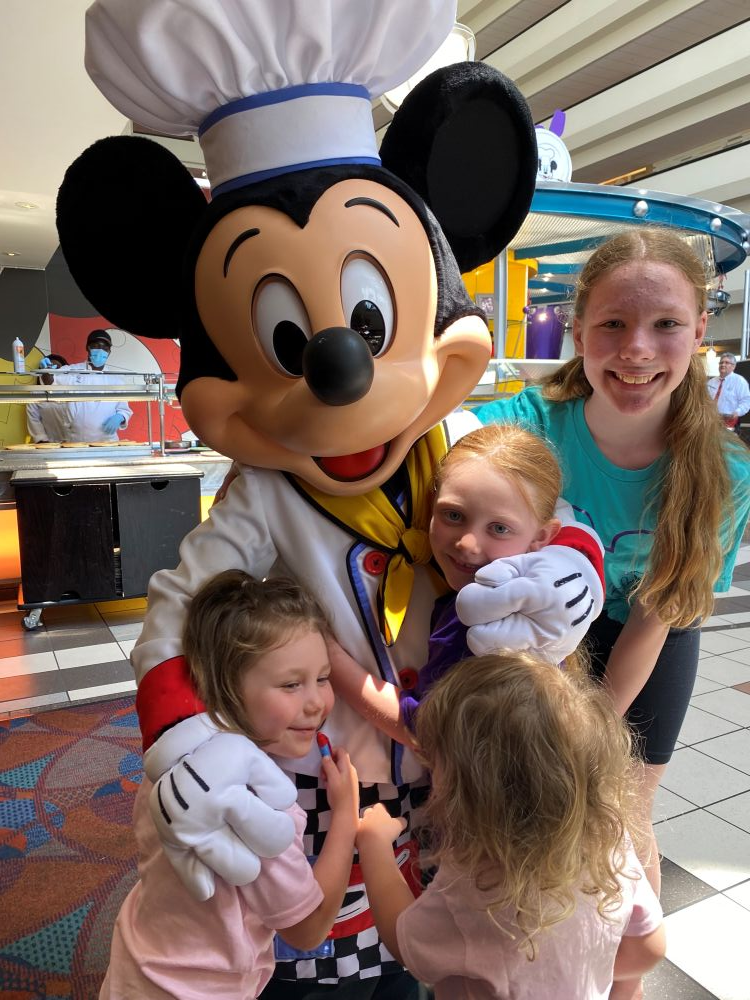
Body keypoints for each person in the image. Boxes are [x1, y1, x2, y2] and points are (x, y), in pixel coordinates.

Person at [471, 229, 750, 964]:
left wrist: (589, 725)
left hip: (649, 632)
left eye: (664, 326)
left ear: (698, 331)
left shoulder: (722, 472)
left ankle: (624, 976)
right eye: (613, 325)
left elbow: (660, 614)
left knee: (621, 812)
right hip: (540, 627)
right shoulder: (525, 428)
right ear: (578, 330)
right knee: (514, 803)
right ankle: (510, 956)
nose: (636, 350)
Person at [100, 570, 360, 999]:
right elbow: (309, 929)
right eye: (291, 684)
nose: (316, 702)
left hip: (137, 964)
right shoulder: (257, 804)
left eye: (323, 677)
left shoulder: (175, 761)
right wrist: (347, 817)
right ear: (225, 686)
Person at [356, 653, 666, 1000]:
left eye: (437, 761)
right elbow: (650, 947)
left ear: (473, 795)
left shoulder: (473, 892)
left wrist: (374, 845)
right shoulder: (610, 846)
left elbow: (405, 943)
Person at [326, 423, 573, 746]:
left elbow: (424, 729)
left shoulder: (478, 626)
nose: (468, 543)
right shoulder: (541, 604)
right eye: (453, 516)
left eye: (498, 528)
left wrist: (329, 655)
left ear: (542, 537)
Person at [51, 329, 132, 442]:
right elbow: (50, 381)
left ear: (109, 352)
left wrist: (120, 417)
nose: (100, 351)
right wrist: (47, 370)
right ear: (88, 348)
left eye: (105, 348)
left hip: (108, 442)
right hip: (77, 441)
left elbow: (124, 410)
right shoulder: (73, 371)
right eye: (96, 346)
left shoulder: (116, 379)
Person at [26, 353, 69, 442]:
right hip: (49, 444)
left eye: (56, 368)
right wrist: (42, 440)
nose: (51, 373)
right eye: (48, 368)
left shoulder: (71, 390)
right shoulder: (35, 393)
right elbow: (34, 419)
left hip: (74, 442)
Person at [707, 351, 750, 431]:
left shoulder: (740, 381)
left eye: (727, 363)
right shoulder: (711, 382)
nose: (723, 365)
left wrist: (737, 412)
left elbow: (746, 401)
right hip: (710, 421)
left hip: (730, 423)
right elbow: (704, 399)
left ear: (733, 366)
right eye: (721, 363)